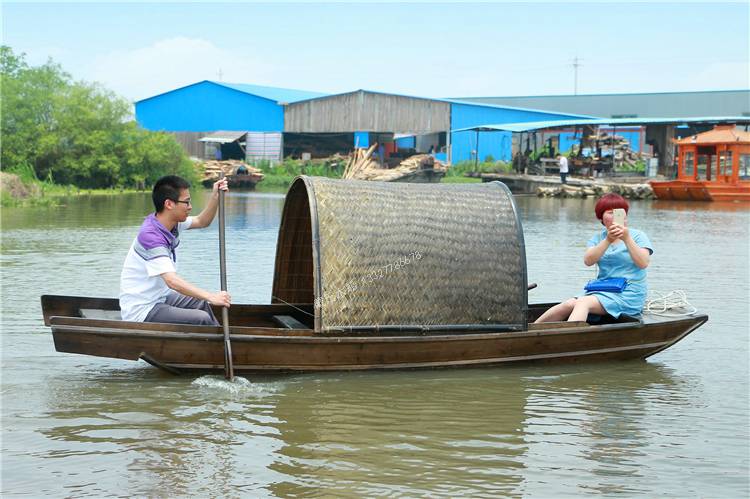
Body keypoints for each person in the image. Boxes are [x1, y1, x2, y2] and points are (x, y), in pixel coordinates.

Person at [119, 175, 231, 325]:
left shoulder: (169, 223)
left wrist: (215, 197)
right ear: (169, 204)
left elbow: (202, 221)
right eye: (186, 202)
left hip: (160, 296)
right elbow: (172, 281)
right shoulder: (151, 236)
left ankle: (217, 343)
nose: (190, 207)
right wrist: (211, 296)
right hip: (143, 309)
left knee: (201, 303)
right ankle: (216, 346)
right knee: (201, 318)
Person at [534, 193, 653, 323]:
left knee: (583, 303)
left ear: (625, 215)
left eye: (618, 212)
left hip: (629, 293)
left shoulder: (638, 236)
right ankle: (532, 331)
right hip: (603, 290)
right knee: (568, 304)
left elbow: (643, 263)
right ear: (601, 217)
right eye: (609, 212)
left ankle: (568, 338)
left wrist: (626, 238)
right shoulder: (597, 238)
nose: (614, 216)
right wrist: (608, 240)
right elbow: (588, 261)